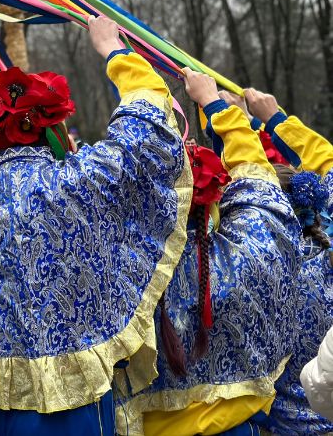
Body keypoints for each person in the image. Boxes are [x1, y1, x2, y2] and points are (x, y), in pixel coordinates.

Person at [0, 16, 191, 435]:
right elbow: (146, 135)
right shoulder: (81, 183)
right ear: (54, 130)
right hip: (79, 416)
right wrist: (115, 52)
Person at [119, 72, 300, 435]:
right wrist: (215, 105)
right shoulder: (251, 252)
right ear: (216, 199)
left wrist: (126, 71)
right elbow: (258, 182)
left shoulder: (122, 276)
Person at [236, 88, 333, 435]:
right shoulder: (328, 258)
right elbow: (329, 165)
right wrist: (275, 119)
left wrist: (225, 119)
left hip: (282, 427)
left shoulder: (250, 271)